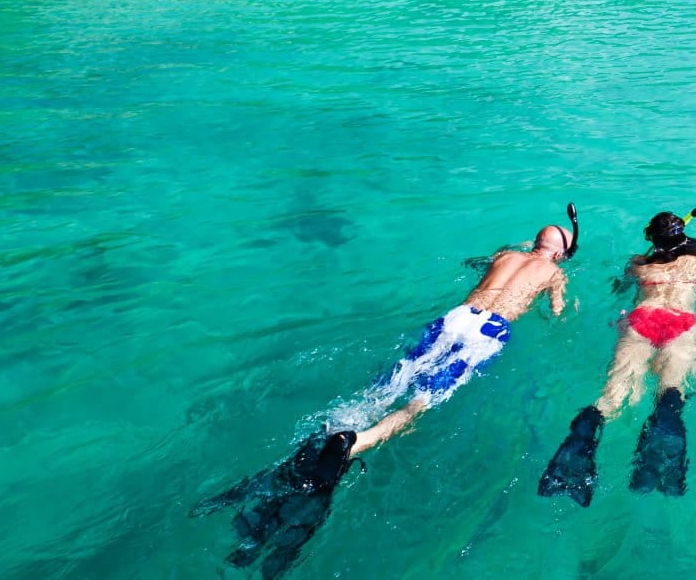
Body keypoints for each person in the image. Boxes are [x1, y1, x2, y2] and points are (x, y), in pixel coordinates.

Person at [195, 206, 579, 577]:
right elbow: (558, 315)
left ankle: (338, 424)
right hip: (488, 332)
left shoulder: (505, 254)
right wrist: (565, 302)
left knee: (393, 380)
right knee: (419, 404)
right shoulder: (553, 273)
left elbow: (477, 264)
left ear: (534, 241)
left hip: (457, 317)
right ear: (560, 253)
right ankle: (357, 440)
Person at [538, 209, 696, 505]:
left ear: (651, 238)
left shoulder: (637, 264)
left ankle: (580, 444)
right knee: (671, 392)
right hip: (681, 324)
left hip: (641, 322)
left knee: (613, 398)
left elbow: (618, 288)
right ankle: (661, 443)